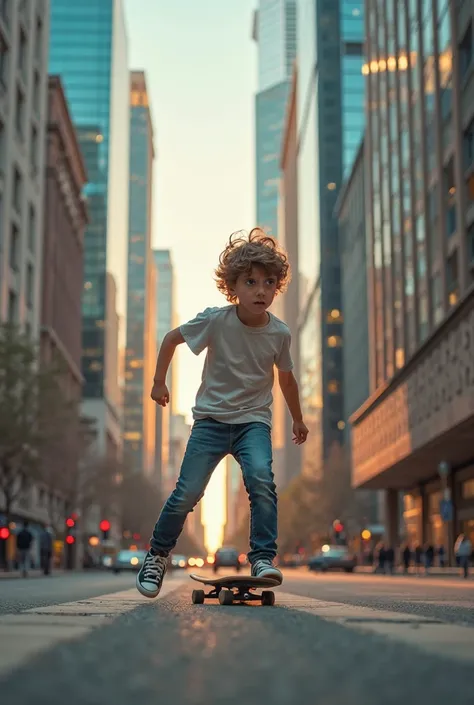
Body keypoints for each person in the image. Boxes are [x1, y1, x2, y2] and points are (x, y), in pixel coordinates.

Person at [137, 229, 308, 598]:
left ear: (277, 287)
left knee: (262, 479)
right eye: (250, 282)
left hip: (253, 423)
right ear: (233, 287)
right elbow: (171, 339)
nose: (261, 290)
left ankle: (262, 557)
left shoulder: (280, 334)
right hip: (211, 422)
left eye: (269, 283)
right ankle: (157, 555)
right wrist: (158, 382)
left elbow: (288, 380)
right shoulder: (216, 320)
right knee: (187, 492)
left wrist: (297, 417)